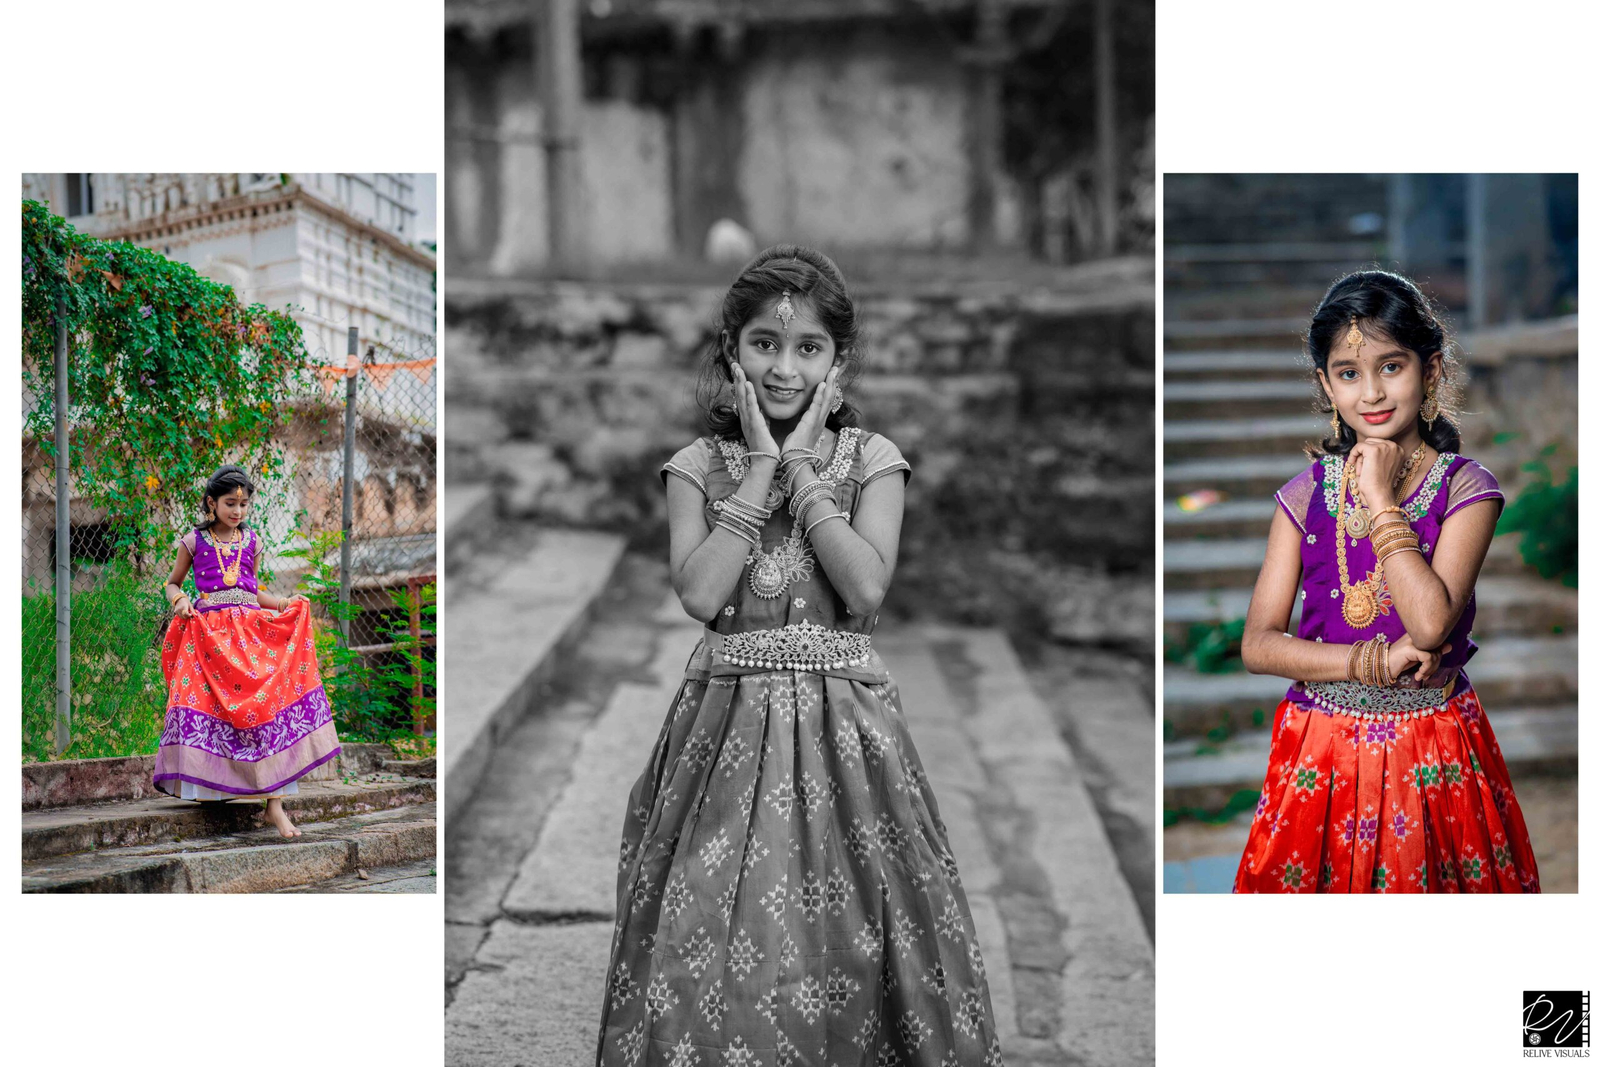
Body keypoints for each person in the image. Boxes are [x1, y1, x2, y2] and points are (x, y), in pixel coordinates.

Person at [595, 247, 1005, 1064]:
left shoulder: (875, 461)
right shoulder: (695, 467)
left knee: (860, 922)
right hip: (723, 735)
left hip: (848, 735)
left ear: (839, 361)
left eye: (808, 347)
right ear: (731, 350)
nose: (785, 368)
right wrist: (758, 469)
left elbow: (864, 591)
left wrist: (805, 471)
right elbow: (702, 596)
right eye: (765, 345)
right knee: (710, 923)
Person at [1234, 270, 1539, 894]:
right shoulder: (1303, 498)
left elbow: (1430, 622)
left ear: (1432, 370)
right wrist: (1373, 661)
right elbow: (1259, 645)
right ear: (1326, 384)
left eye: (1391, 367)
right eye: (1348, 373)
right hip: (1322, 750)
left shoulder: (1465, 490)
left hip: (1434, 747)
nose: (1371, 392)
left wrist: (1376, 497)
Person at [154, 465, 341, 838]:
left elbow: (253, 590)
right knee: (202, 705)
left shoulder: (252, 541)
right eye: (229, 503)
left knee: (263, 707)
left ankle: (276, 806)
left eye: (243, 504)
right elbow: (171, 583)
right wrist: (179, 601)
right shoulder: (193, 542)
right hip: (207, 636)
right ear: (212, 503)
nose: (237, 510)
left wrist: (284, 602)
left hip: (249, 636)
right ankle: (211, 789)